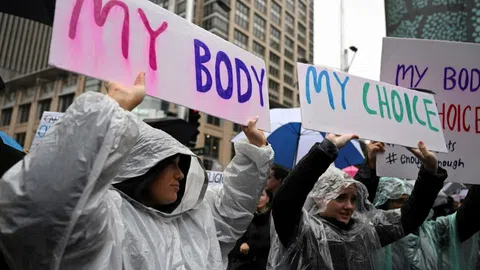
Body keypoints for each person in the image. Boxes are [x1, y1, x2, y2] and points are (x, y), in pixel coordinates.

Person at [0, 73, 274, 269]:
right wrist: (112, 111)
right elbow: (44, 211)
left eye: (184, 166)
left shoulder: (195, 218)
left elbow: (233, 209)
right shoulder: (106, 220)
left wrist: (254, 151)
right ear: (143, 167)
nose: (181, 175)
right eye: (172, 164)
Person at [268, 134, 448, 269]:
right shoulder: (301, 231)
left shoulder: (363, 232)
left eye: (353, 199)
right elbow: (286, 202)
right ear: (319, 196)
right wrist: (324, 151)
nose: (349, 206)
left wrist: (430, 174)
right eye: (340, 197)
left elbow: (409, 218)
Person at [373, 177, 480, 269]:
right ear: (383, 203)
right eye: (398, 200)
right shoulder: (373, 236)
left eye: (408, 201)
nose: (404, 206)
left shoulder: (432, 232)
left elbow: (467, 218)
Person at [227, 189, 273, 270]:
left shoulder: (272, 219)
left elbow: (270, 242)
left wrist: (250, 246)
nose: (258, 198)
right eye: (256, 196)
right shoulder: (245, 216)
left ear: (268, 198)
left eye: (261, 195)